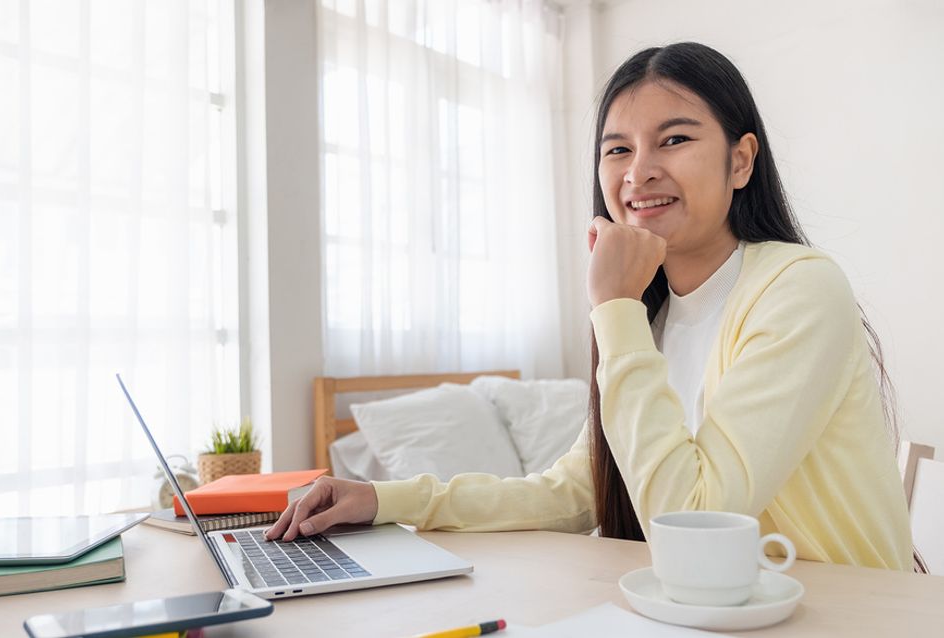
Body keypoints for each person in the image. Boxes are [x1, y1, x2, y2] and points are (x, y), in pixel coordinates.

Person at [265, 42, 913, 570]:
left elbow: (692, 514)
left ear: (741, 161)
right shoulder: (651, 318)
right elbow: (577, 492)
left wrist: (614, 305)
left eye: (674, 140)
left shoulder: (799, 288)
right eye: (618, 149)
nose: (638, 173)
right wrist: (380, 499)